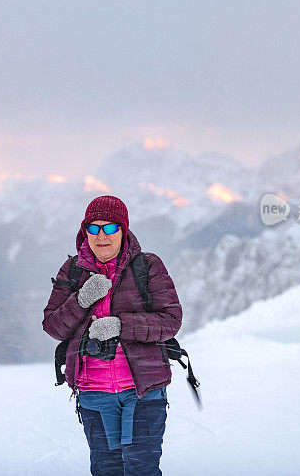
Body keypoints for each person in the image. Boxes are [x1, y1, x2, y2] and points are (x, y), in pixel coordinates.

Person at [43, 194, 183, 476]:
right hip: (94, 395)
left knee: (140, 470)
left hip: (143, 391)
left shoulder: (148, 266)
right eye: (93, 228)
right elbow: (53, 326)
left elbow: (170, 320)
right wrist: (81, 299)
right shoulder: (72, 271)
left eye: (110, 228)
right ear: (85, 232)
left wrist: (120, 325)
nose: (101, 236)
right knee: (107, 471)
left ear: (123, 229)